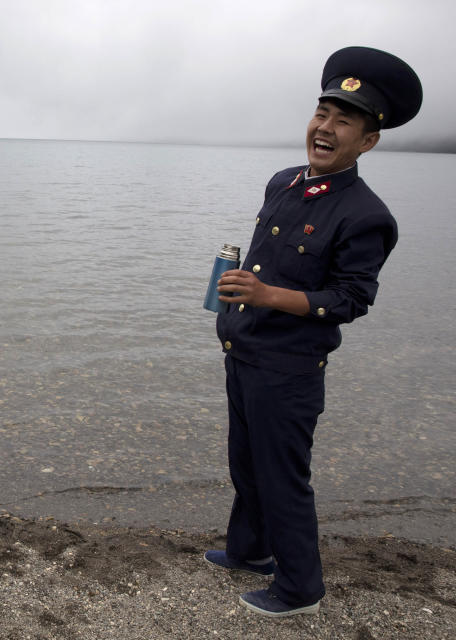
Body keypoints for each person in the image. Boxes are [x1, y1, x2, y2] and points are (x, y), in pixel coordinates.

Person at [205, 46, 422, 617]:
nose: (325, 128)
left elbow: (352, 300)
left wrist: (267, 296)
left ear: (368, 140)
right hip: (244, 349)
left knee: (283, 477)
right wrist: (237, 296)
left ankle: (301, 588)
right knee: (245, 463)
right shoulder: (283, 180)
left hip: (290, 367)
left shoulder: (366, 214)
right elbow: (267, 261)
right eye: (322, 113)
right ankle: (250, 550)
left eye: (344, 120)